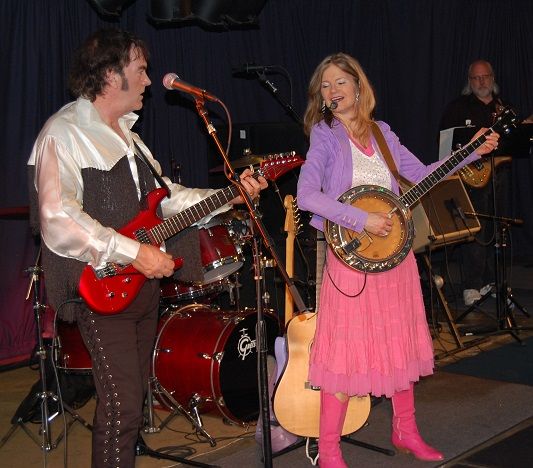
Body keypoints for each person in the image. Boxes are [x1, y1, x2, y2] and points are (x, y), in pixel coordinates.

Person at [27, 28, 266, 468]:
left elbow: (167, 199)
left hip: (141, 289)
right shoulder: (63, 134)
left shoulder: (129, 137)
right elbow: (58, 217)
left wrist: (230, 196)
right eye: (140, 70)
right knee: (122, 407)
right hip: (100, 288)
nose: (149, 81)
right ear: (110, 75)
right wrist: (135, 253)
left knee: (131, 405)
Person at [296, 52, 499, 467]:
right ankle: (329, 449)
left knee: (400, 343)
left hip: (394, 258)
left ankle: (405, 430)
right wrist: (361, 219)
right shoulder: (325, 136)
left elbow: (421, 175)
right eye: (326, 86)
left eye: (340, 82)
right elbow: (307, 195)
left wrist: (471, 151)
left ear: (358, 87)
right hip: (351, 261)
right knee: (344, 353)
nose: (333, 91)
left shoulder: (383, 133)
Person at [440, 59, 512, 306]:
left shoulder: (504, 108)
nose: (481, 82)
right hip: (469, 177)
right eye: (476, 78)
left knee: (498, 228)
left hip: (499, 177)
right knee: (474, 229)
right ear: (469, 82)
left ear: (493, 78)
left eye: (485, 76)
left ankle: (493, 281)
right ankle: (471, 285)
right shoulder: (457, 108)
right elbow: (445, 144)